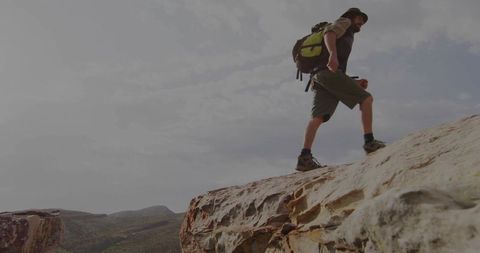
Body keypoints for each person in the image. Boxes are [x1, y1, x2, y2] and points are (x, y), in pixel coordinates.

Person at [296, 8, 385, 172]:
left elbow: (336, 73)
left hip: (319, 77)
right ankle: (369, 142)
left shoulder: (347, 33)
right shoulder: (345, 22)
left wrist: (354, 82)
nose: (361, 23)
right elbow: (329, 34)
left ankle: (304, 157)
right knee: (366, 99)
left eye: (363, 22)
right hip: (327, 74)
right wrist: (333, 55)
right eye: (359, 19)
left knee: (318, 117)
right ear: (352, 17)